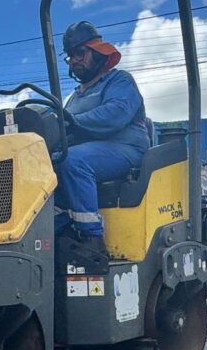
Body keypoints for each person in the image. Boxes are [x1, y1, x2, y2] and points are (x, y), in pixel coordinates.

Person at [55, 21, 149, 256]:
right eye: (70, 56)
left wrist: (73, 122)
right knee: (46, 164)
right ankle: (58, 228)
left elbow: (116, 114)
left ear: (98, 52)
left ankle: (91, 239)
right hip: (91, 150)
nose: (74, 60)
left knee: (73, 161)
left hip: (125, 149)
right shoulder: (75, 97)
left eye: (80, 53)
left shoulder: (119, 81)